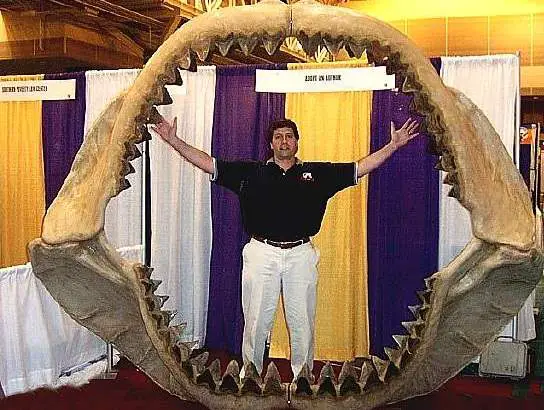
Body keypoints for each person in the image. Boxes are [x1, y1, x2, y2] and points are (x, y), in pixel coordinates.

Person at [151, 115, 419, 380]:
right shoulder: (250, 172)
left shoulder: (318, 174)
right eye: (278, 137)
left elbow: (359, 167)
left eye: (289, 136)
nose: (284, 141)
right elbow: (207, 163)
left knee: (302, 322)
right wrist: (174, 141)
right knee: (256, 323)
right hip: (261, 253)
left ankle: (303, 378)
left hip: (301, 255)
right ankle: (250, 378)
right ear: (270, 143)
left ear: (297, 142)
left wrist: (393, 145)